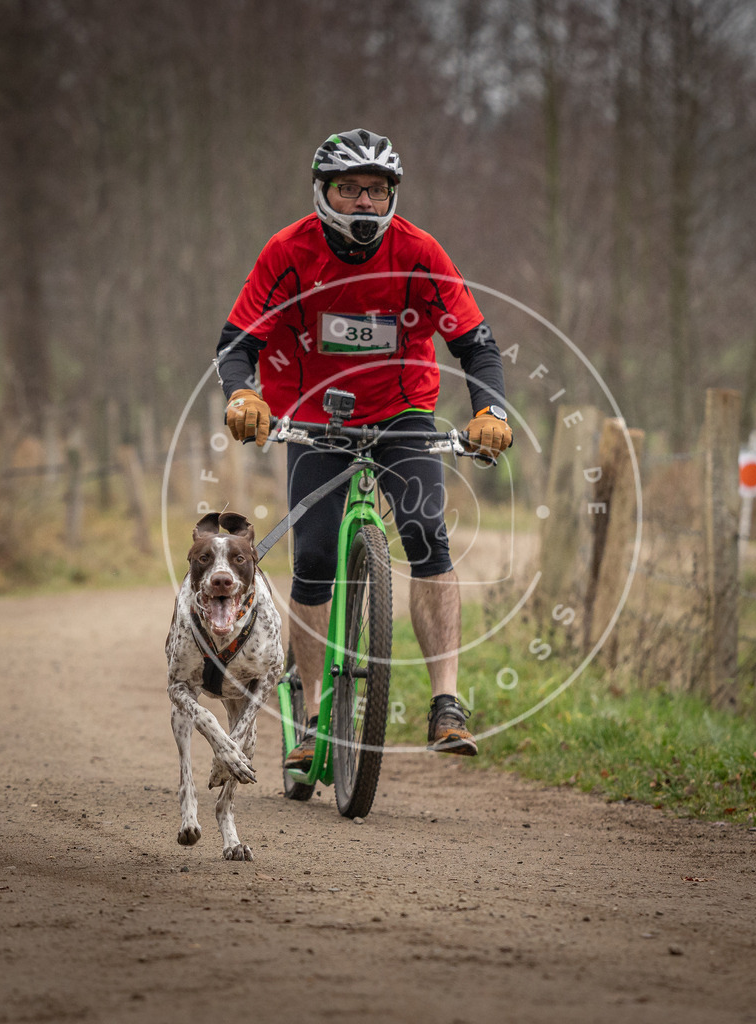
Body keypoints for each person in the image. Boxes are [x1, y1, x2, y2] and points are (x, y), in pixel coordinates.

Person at [216, 128, 512, 764]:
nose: (362, 204)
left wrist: (489, 409)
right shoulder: (288, 251)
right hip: (310, 412)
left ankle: (446, 706)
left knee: (427, 532)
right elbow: (239, 341)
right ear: (324, 194)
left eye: (375, 192)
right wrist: (243, 396)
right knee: (316, 553)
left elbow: (476, 343)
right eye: (348, 189)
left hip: (402, 409)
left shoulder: (418, 251)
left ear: (391, 198)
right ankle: (316, 707)